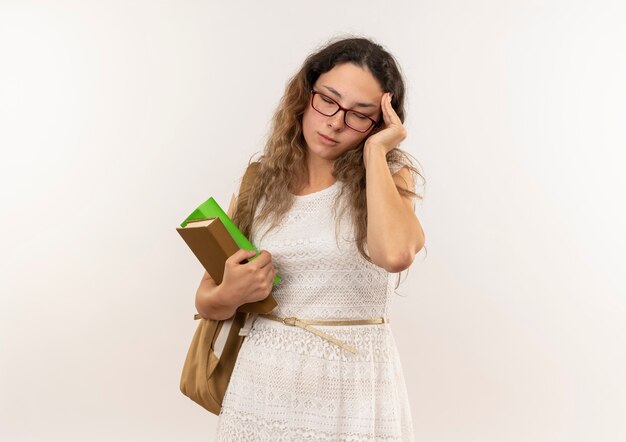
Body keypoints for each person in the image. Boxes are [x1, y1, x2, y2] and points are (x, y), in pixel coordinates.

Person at [195, 36, 426, 441]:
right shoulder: (260, 182)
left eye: (360, 115)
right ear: (305, 95)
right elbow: (205, 300)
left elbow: (395, 254)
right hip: (261, 385)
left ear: (382, 124)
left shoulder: (388, 178)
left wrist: (375, 154)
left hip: (352, 385)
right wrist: (232, 292)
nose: (336, 121)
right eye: (329, 101)